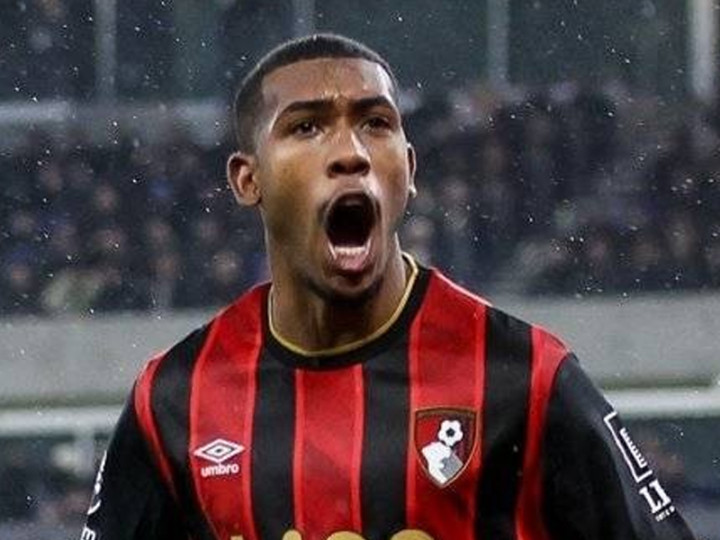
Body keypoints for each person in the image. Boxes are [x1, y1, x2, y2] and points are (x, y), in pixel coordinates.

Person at [80, 34, 696, 540]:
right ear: (248, 179)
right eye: (306, 127)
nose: (350, 152)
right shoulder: (175, 400)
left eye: (375, 123)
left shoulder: (525, 376)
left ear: (410, 167)